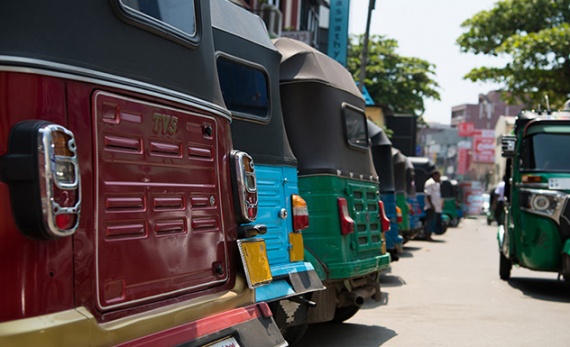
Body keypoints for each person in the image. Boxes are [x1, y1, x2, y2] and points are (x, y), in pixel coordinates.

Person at [423, 170, 442, 241]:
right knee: (430, 221)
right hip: (430, 206)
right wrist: (432, 205)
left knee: (433, 221)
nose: (439, 178)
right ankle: (427, 235)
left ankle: (430, 234)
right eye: (438, 176)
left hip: (436, 207)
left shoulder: (437, 184)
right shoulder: (429, 183)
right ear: (434, 175)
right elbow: (428, 195)